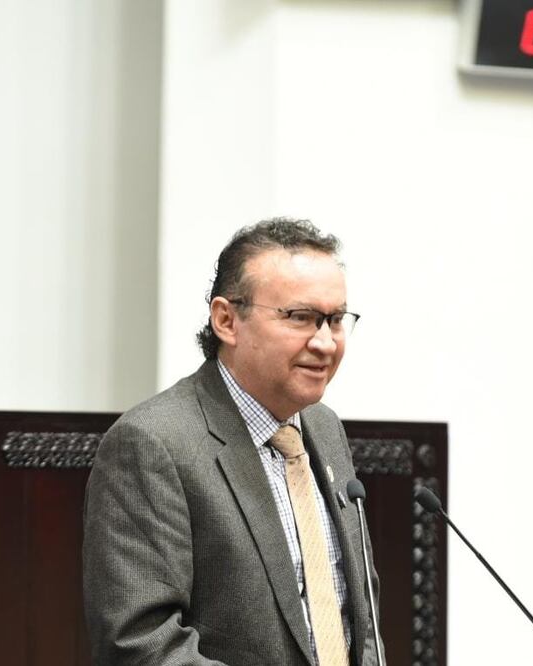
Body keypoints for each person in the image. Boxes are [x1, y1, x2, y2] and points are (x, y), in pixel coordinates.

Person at [83, 218, 383, 665]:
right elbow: (142, 646)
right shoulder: (153, 443)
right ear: (226, 320)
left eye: (336, 319)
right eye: (300, 317)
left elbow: (357, 616)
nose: (325, 342)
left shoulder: (324, 429)